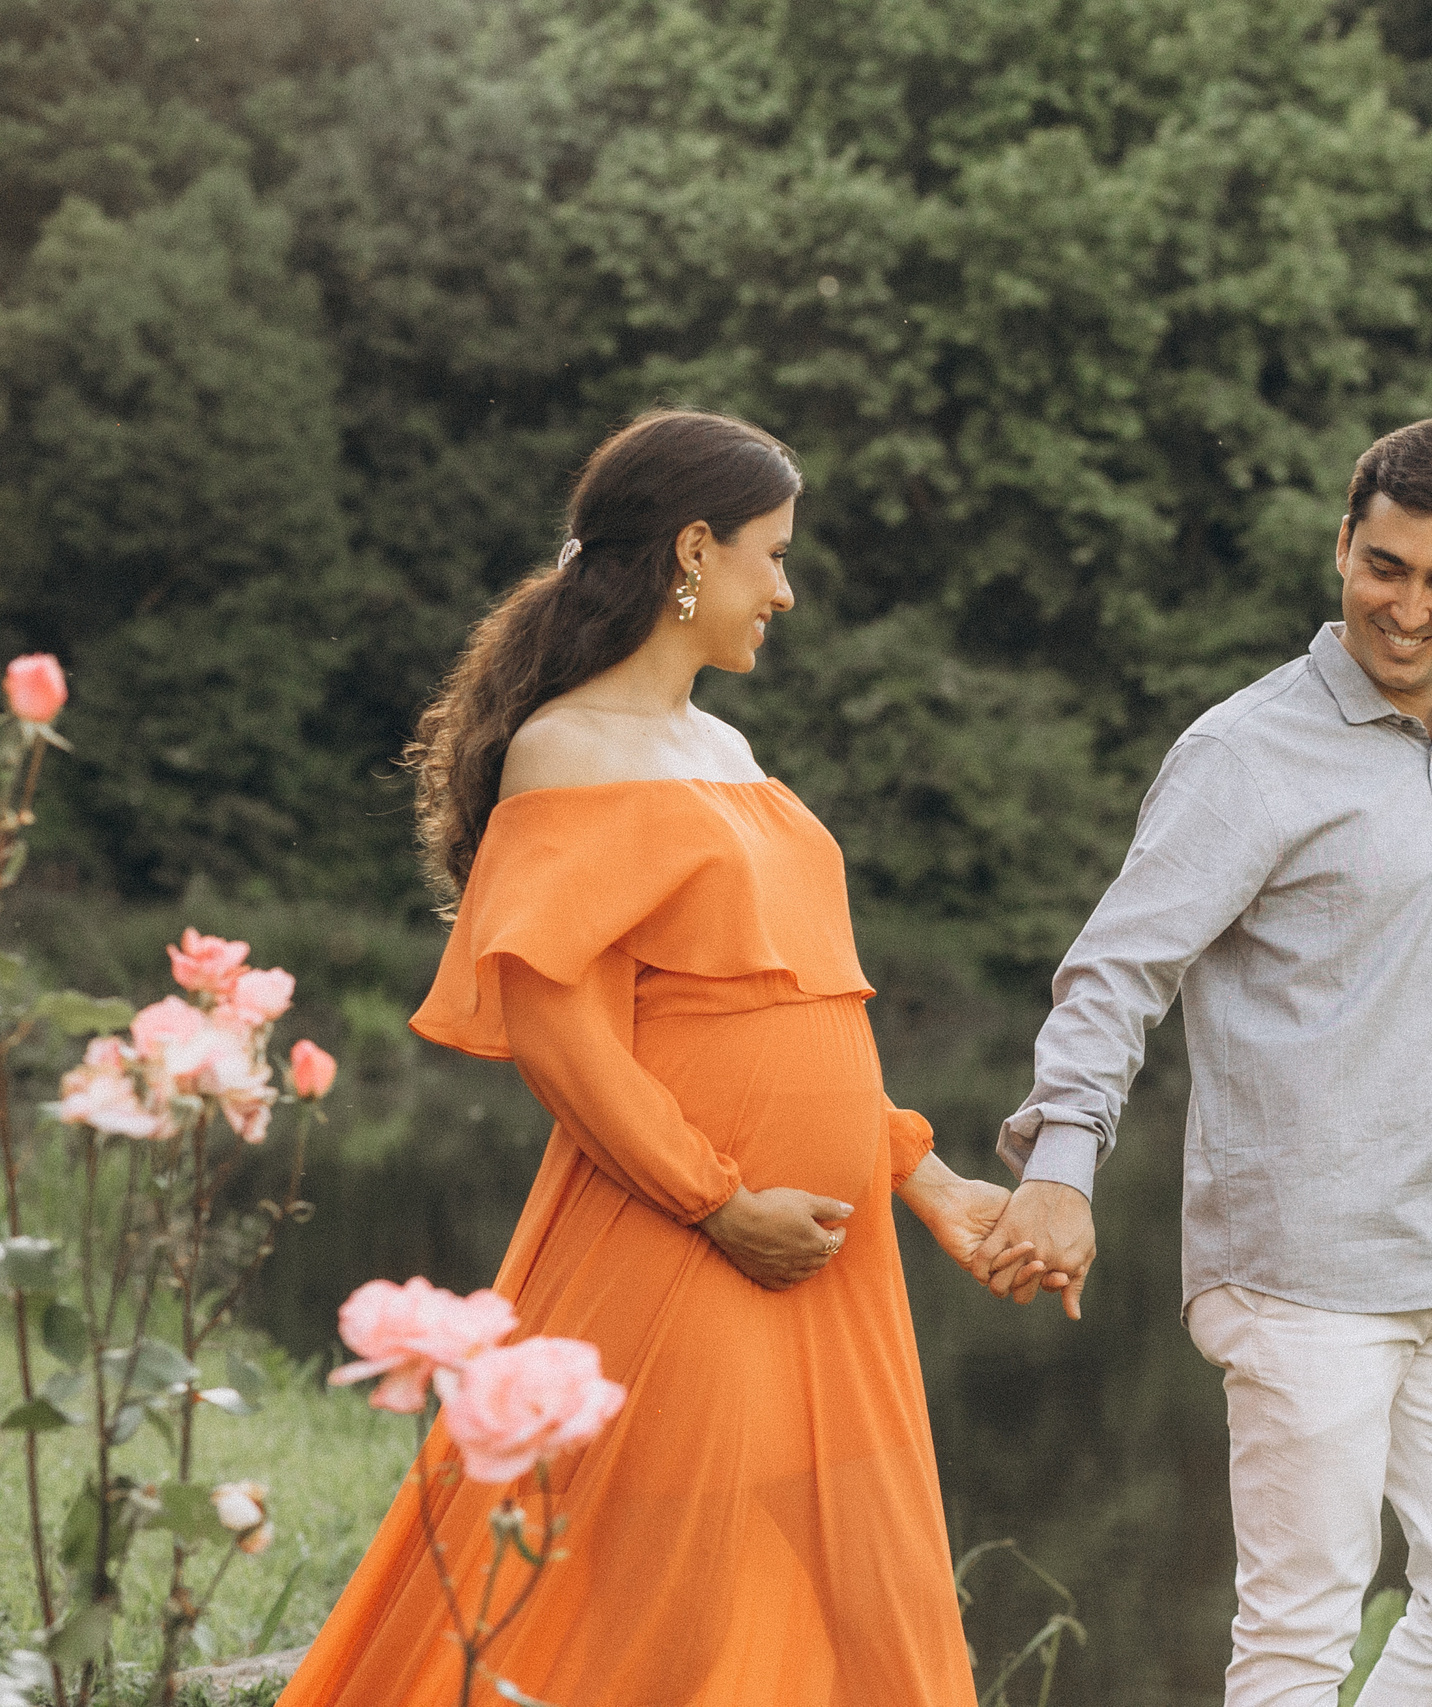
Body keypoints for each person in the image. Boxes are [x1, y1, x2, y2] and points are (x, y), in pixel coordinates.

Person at [279, 409, 1024, 1707]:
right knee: (665, 1606)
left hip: (823, 1252)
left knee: (854, 1592)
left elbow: (796, 1013)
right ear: (693, 550)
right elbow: (561, 1033)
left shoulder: (727, 751)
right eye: (773, 555)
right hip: (690, 1237)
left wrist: (930, 1181)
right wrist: (718, 1203)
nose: (784, 593)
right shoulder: (565, 749)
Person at [973, 418, 1432, 1707]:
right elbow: (1116, 970)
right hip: (1299, 1264)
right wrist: (1061, 1165)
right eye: (1384, 566)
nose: (1406, 608)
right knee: (1299, 1636)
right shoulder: (1243, 753)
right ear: (1342, 546)